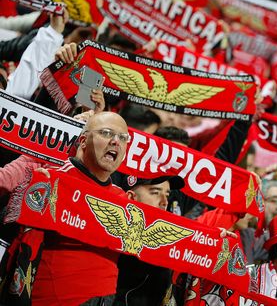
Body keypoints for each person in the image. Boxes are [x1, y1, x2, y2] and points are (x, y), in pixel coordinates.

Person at [11, 111, 130, 305]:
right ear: (83, 141)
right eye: (106, 133)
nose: (116, 141)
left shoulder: (122, 198)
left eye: (123, 138)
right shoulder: (53, 179)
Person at [114, 175, 176, 306]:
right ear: (131, 197)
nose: (165, 202)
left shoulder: (166, 240)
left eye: (167, 194)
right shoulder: (114, 239)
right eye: (155, 193)